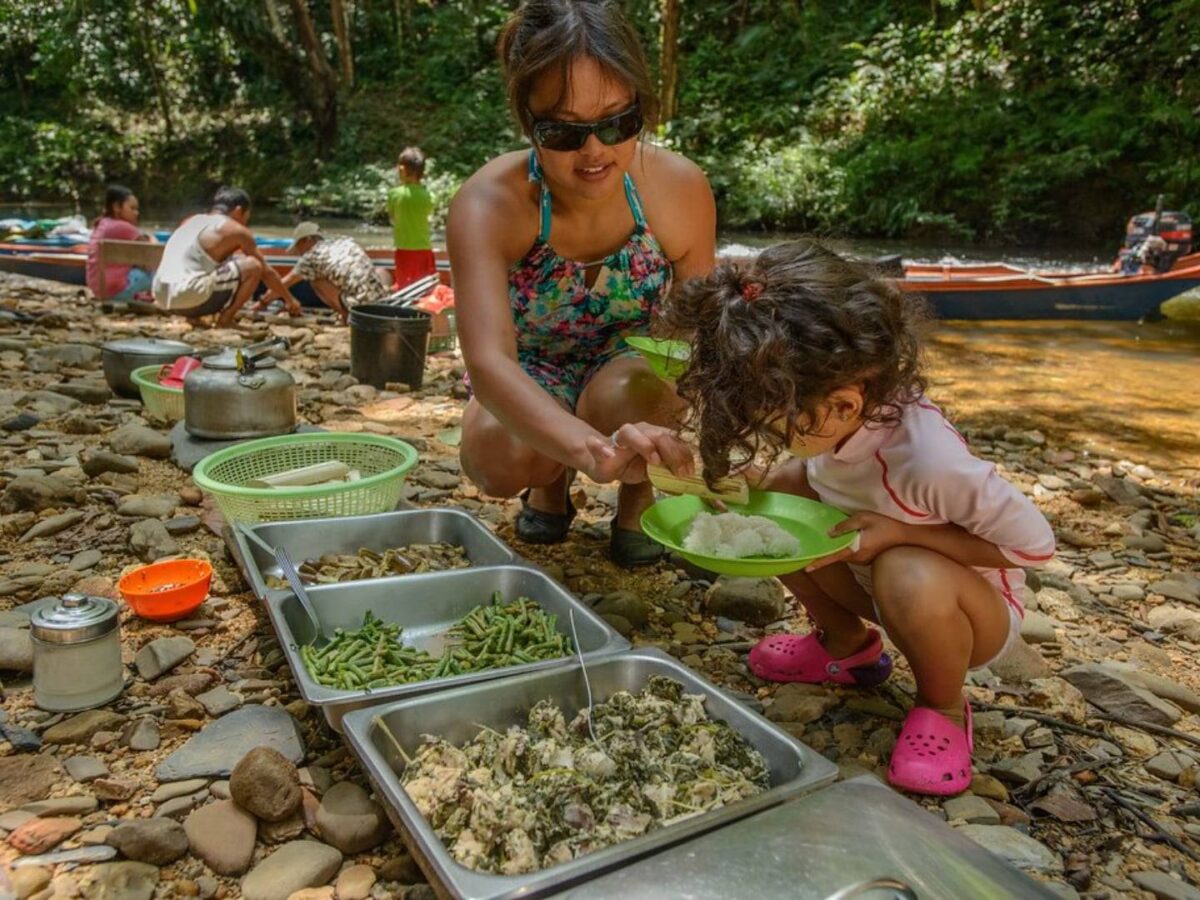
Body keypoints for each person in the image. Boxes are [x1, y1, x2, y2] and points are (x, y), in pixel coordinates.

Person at [661, 239, 1056, 796]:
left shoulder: (929, 463)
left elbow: (1035, 547)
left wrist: (902, 532)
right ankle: (845, 644)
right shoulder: (842, 413)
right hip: (869, 570)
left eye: (774, 425)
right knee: (778, 499)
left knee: (906, 568)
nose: (767, 433)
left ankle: (941, 706)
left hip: (965, 612)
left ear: (844, 405)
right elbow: (814, 480)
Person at [449, 0, 715, 567]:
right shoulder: (488, 204)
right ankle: (550, 478)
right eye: (564, 132)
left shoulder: (679, 189)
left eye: (619, 123)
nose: (595, 151)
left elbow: (702, 333)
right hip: (531, 366)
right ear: (528, 121)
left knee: (638, 392)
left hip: (634, 361)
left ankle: (639, 491)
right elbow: (489, 365)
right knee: (499, 455)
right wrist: (588, 450)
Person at [151, 186, 301, 327]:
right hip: (188, 298)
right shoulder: (236, 230)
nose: (245, 223)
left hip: (161, 295)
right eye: (246, 217)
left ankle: (193, 317)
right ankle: (226, 319)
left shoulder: (190, 220)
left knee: (211, 265)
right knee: (253, 265)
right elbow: (266, 271)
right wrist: (290, 300)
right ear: (238, 210)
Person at [258, 222, 389, 323]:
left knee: (315, 280)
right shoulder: (344, 242)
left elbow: (283, 284)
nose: (299, 253)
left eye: (299, 247)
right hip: (380, 303)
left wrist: (262, 303)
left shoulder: (310, 257)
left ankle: (346, 315)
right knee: (380, 271)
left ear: (307, 240)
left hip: (360, 309)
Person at [86, 185, 154, 303]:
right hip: (116, 292)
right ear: (117, 207)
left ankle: (135, 295)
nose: (136, 213)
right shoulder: (124, 227)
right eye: (132, 208)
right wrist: (152, 238)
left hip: (99, 290)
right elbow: (152, 254)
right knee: (156, 269)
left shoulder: (103, 223)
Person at [387, 147, 437, 290]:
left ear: (402, 169)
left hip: (402, 248)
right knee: (426, 289)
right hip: (424, 248)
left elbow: (392, 217)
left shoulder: (394, 194)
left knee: (404, 286)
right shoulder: (429, 196)